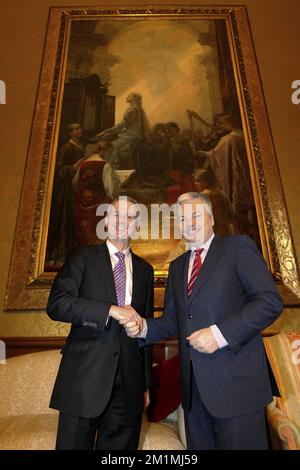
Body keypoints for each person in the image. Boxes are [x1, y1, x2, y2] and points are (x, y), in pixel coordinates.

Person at [116, 192, 283, 450]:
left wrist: (219, 334)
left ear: (212, 219)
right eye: (182, 219)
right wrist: (144, 327)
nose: (189, 223)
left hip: (237, 389)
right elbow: (174, 320)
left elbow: (269, 302)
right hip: (194, 394)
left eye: (195, 216)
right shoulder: (177, 267)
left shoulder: (237, 247)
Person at [47, 196, 154, 450]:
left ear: (137, 225)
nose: (122, 222)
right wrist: (110, 310)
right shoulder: (82, 257)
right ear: (106, 220)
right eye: (116, 215)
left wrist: (146, 385)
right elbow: (57, 304)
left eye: (130, 217)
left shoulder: (145, 270)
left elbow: (146, 333)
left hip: (128, 387)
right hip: (84, 379)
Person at [46, 123, 85, 267]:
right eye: (76, 129)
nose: (79, 130)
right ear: (70, 133)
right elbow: (58, 169)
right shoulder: (66, 148)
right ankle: (61, 253)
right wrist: (73, 167)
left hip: (76, 185)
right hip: (66, 189)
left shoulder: (80, 146)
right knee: (65, 216)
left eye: (79, 128)